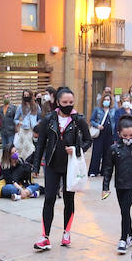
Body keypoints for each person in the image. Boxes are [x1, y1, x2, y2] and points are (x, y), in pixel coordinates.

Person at [30, 86, 91, 250]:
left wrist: (77, 150)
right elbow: (40, 144)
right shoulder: (49, 119)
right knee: (49, 198)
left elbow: (88, 140)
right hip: (51, 165)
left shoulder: (79, 119)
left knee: (68, 199)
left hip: (70, 166)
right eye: (65, 102)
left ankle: (66, 233)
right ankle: (45, 236)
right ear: (57, 102)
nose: (68, 105)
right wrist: (36, 166)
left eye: (71, 102)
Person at [101, 114, 132, 252]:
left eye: (131, 135)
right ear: (119, 134)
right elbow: (108, 169)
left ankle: (123, 239)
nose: (128, 138)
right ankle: (131, 235)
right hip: (119, 184)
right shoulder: (114, 149)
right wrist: (105, 187)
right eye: (125, 135)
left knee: (125, 210)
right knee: (125, 211)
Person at [88, 92, 115, 176]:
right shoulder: (97, 109)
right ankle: (93, 171)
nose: (106, 101)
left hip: (109, 134)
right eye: (105, 100)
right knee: (96, 152)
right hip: (99, 133)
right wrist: (97, 125)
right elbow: (91, 120)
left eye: (108, 100)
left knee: (107, 153)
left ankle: (104, 171)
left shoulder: (113, 110)